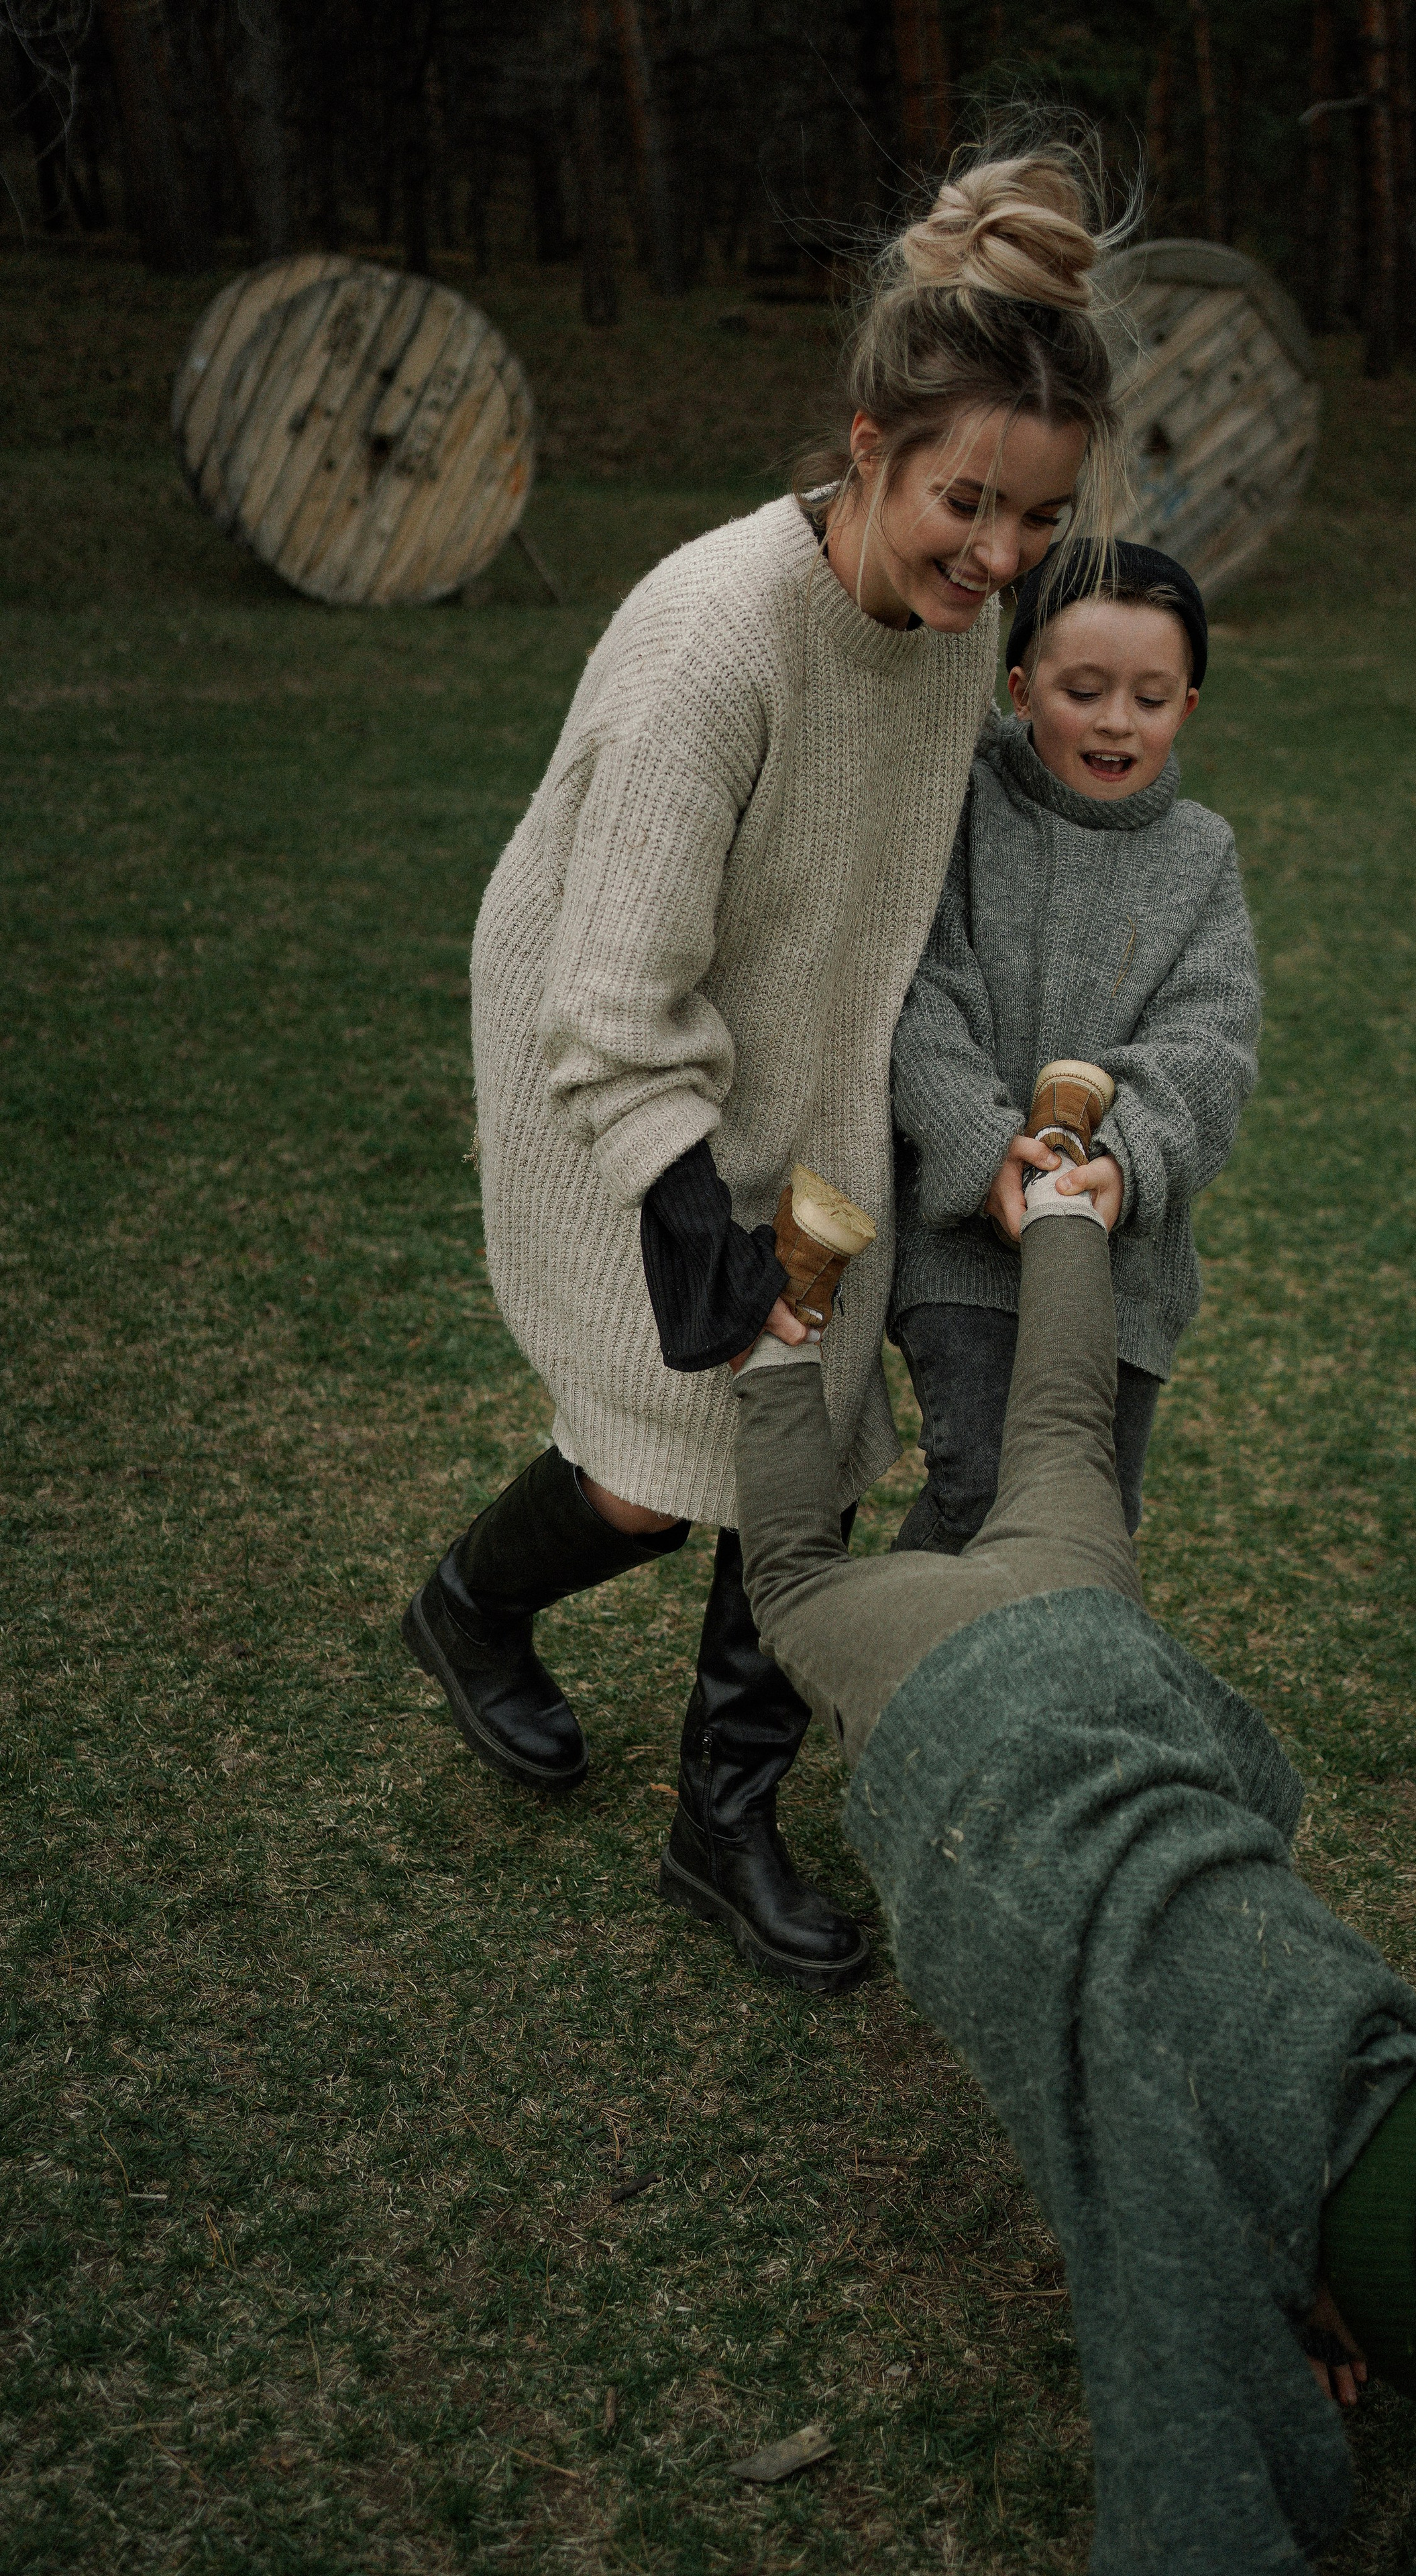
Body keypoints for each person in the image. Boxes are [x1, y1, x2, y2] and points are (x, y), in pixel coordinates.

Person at [402, 147, 1132, 1995]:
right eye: (970, 504)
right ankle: (467, 1609)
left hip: (815, 1059)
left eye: (1039, 523)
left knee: (808, 1448)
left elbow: (889, 876)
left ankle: (722, 1818)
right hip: (619, 1062)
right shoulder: (712, 645)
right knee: (661, 1477)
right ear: (871, 442)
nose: (1001, 561)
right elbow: (611, 988)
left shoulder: (953, 634)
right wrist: (679, 1214)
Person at [726, 1163, 1416, 2573]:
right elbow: (1172, 2368)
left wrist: (1331, 2291)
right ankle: (779, 1334)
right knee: (786, 1579)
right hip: (937, 1688)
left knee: (1062, 1441)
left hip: (1085, 1639)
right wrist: (1301, 2329)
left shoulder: (1371, 2028)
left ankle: (1061, 1213)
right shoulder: (1170, 2155)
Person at [889, 537, 1260, 1554]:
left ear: (1186, 705)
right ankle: (885, 1692)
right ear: (1020, 688)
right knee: (985, 1487)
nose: (1113, 721)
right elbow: (922, 992)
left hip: (1119, 1258)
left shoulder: (1200, 855)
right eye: (1083, 689)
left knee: (1088, 1516)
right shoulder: (962, 809)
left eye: (1149, 697)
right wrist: (981, 1137)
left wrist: (1124, 1164)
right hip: (964, 1237)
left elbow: (1210, 1042)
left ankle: (1021, 1702)